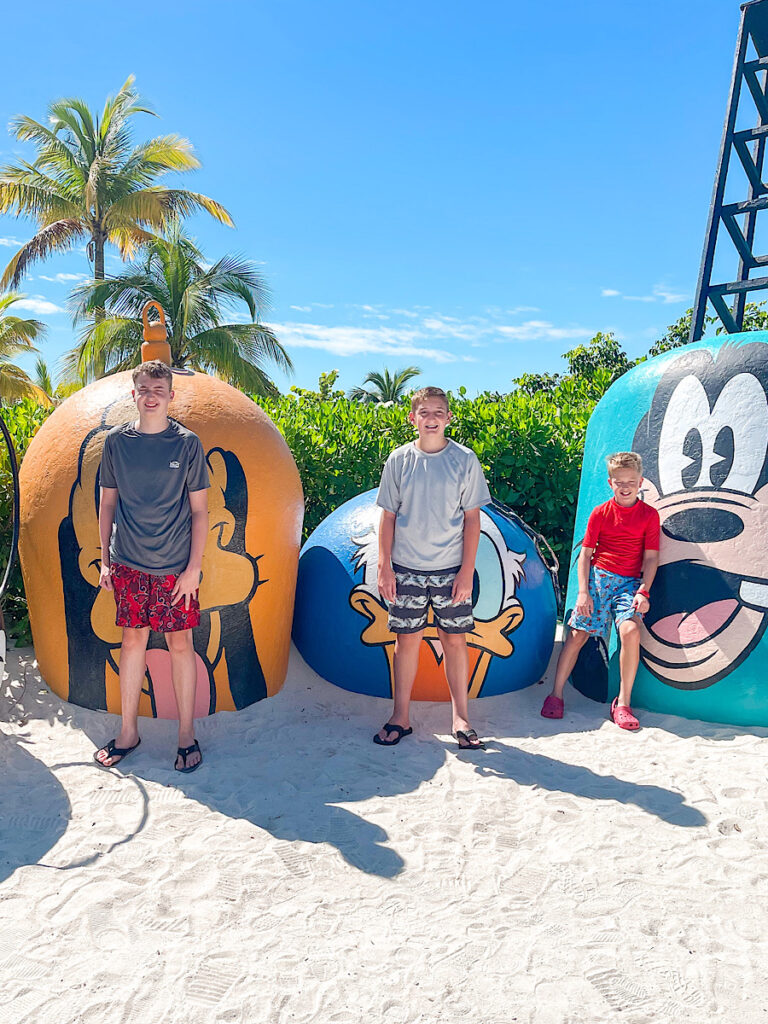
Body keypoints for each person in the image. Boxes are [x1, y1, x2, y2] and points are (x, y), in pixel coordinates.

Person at [93, 360, 210, 772]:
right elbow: (107, 503)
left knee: (181, 646)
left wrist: (194, 568)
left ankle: (185, 736)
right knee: (132, 643)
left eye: (159, 388)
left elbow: (200, 512)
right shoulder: (115, 443)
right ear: (134, 393)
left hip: (176, 568)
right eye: (145, 387)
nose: (152, 394)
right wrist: (105, 560)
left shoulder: (187, 443)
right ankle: (128, 732)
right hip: (128, 563)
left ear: (171, 395)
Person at [373, 386, 492, 749]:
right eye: (424, 412)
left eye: (438, 412)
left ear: (448, 417)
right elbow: (388, 517)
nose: (431, 418)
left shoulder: (465, 460)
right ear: (413, 418)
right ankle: (400, 717)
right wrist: (384, 566)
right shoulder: (398, 460)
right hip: (406, 568)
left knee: (455, 642)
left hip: (450, 570)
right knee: (405, 642)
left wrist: (466, 571)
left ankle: (461, 719)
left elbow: (473, 520)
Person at [541, 451, 660, 730]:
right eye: (619, 481)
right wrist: (583, 592)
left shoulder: (649, 516)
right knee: (578, 634)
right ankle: (555, 695)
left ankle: (623, 704)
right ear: (610, 483)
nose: (625, 486)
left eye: (631, 480)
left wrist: (644, 591)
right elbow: (585, 555)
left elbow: (652, 558)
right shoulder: (601, 513)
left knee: (630, 631)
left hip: (630, 583)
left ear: (640, 481)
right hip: (598, 579)